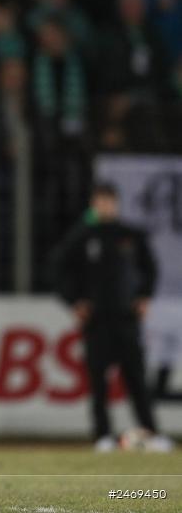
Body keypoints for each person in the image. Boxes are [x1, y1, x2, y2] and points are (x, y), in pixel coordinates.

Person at [52, 183, 173, 452]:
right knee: (98, 382)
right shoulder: (82, 237)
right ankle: (102, 436)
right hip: (97, 320)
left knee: (137, 380)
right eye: (100, 201)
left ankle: (151, 433)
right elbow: (58, 270)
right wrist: (75, 301)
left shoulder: (129, 235)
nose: (105, 206)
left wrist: (144, 296)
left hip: (126, 318)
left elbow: (150, 269)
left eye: (109, 201)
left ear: (116, 203)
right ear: (94, 204)